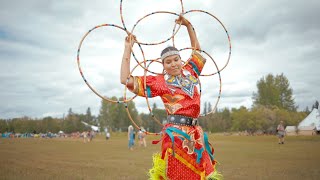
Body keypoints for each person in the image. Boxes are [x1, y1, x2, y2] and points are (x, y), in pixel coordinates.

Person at [120, 15, 221, 179]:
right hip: (176, 136)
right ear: (163, 65)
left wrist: (188, 25)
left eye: (176, 59)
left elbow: (198, 51)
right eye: (168, 62)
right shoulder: (159, 82)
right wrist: (127, 49)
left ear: (181, 60)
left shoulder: (191, 72)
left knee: (202, 175)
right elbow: (126, 79)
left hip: (196, 134)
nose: (173, 63)